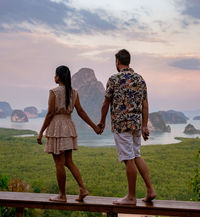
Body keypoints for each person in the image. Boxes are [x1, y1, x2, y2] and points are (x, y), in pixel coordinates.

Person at [98, 49, 156, 205]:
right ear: (129, 61)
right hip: (136, 124)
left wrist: (102, 121)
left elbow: (106, 103)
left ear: (117, 62)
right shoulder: (140, 79)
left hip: (121, 124)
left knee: (128, 159)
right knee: (136, 155)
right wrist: (144, 126)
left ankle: (131, 197)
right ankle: (150, 190)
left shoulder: (114, 79)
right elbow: (145, 104)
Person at [37, 65, 101, 203]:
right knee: (68, 161)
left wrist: (41, 131)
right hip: (68, 125)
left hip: (57, 127)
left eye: (55, 75)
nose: (54, 77)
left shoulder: (54, 92)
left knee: (59, 163)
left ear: (58, 77)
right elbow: (81, 111)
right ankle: (83, 189)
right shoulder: (74, 92)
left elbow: (50, 113)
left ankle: (62, 195)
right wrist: (94, 127)